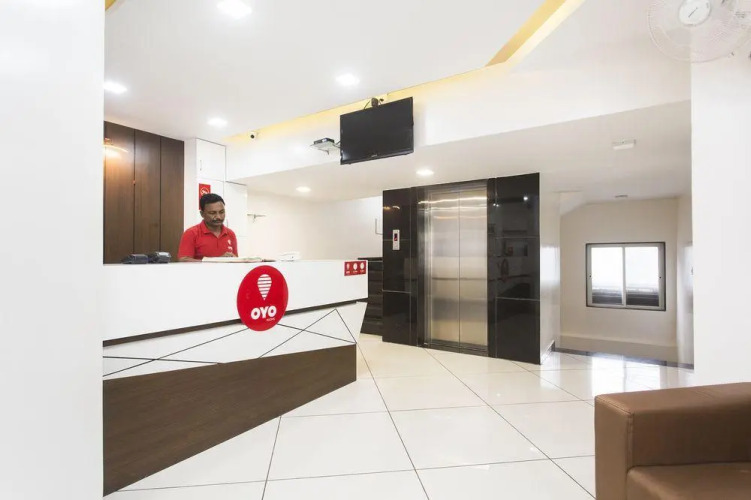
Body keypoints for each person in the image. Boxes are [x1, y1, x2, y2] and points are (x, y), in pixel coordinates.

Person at [178, 193, 238, 261]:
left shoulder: (230, 233)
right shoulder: (191, 233)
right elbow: (184, 260)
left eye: (221, 212)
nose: (218, 217)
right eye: (212, 213)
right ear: (202, 214)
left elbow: (235, 259)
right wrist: (216, 261)